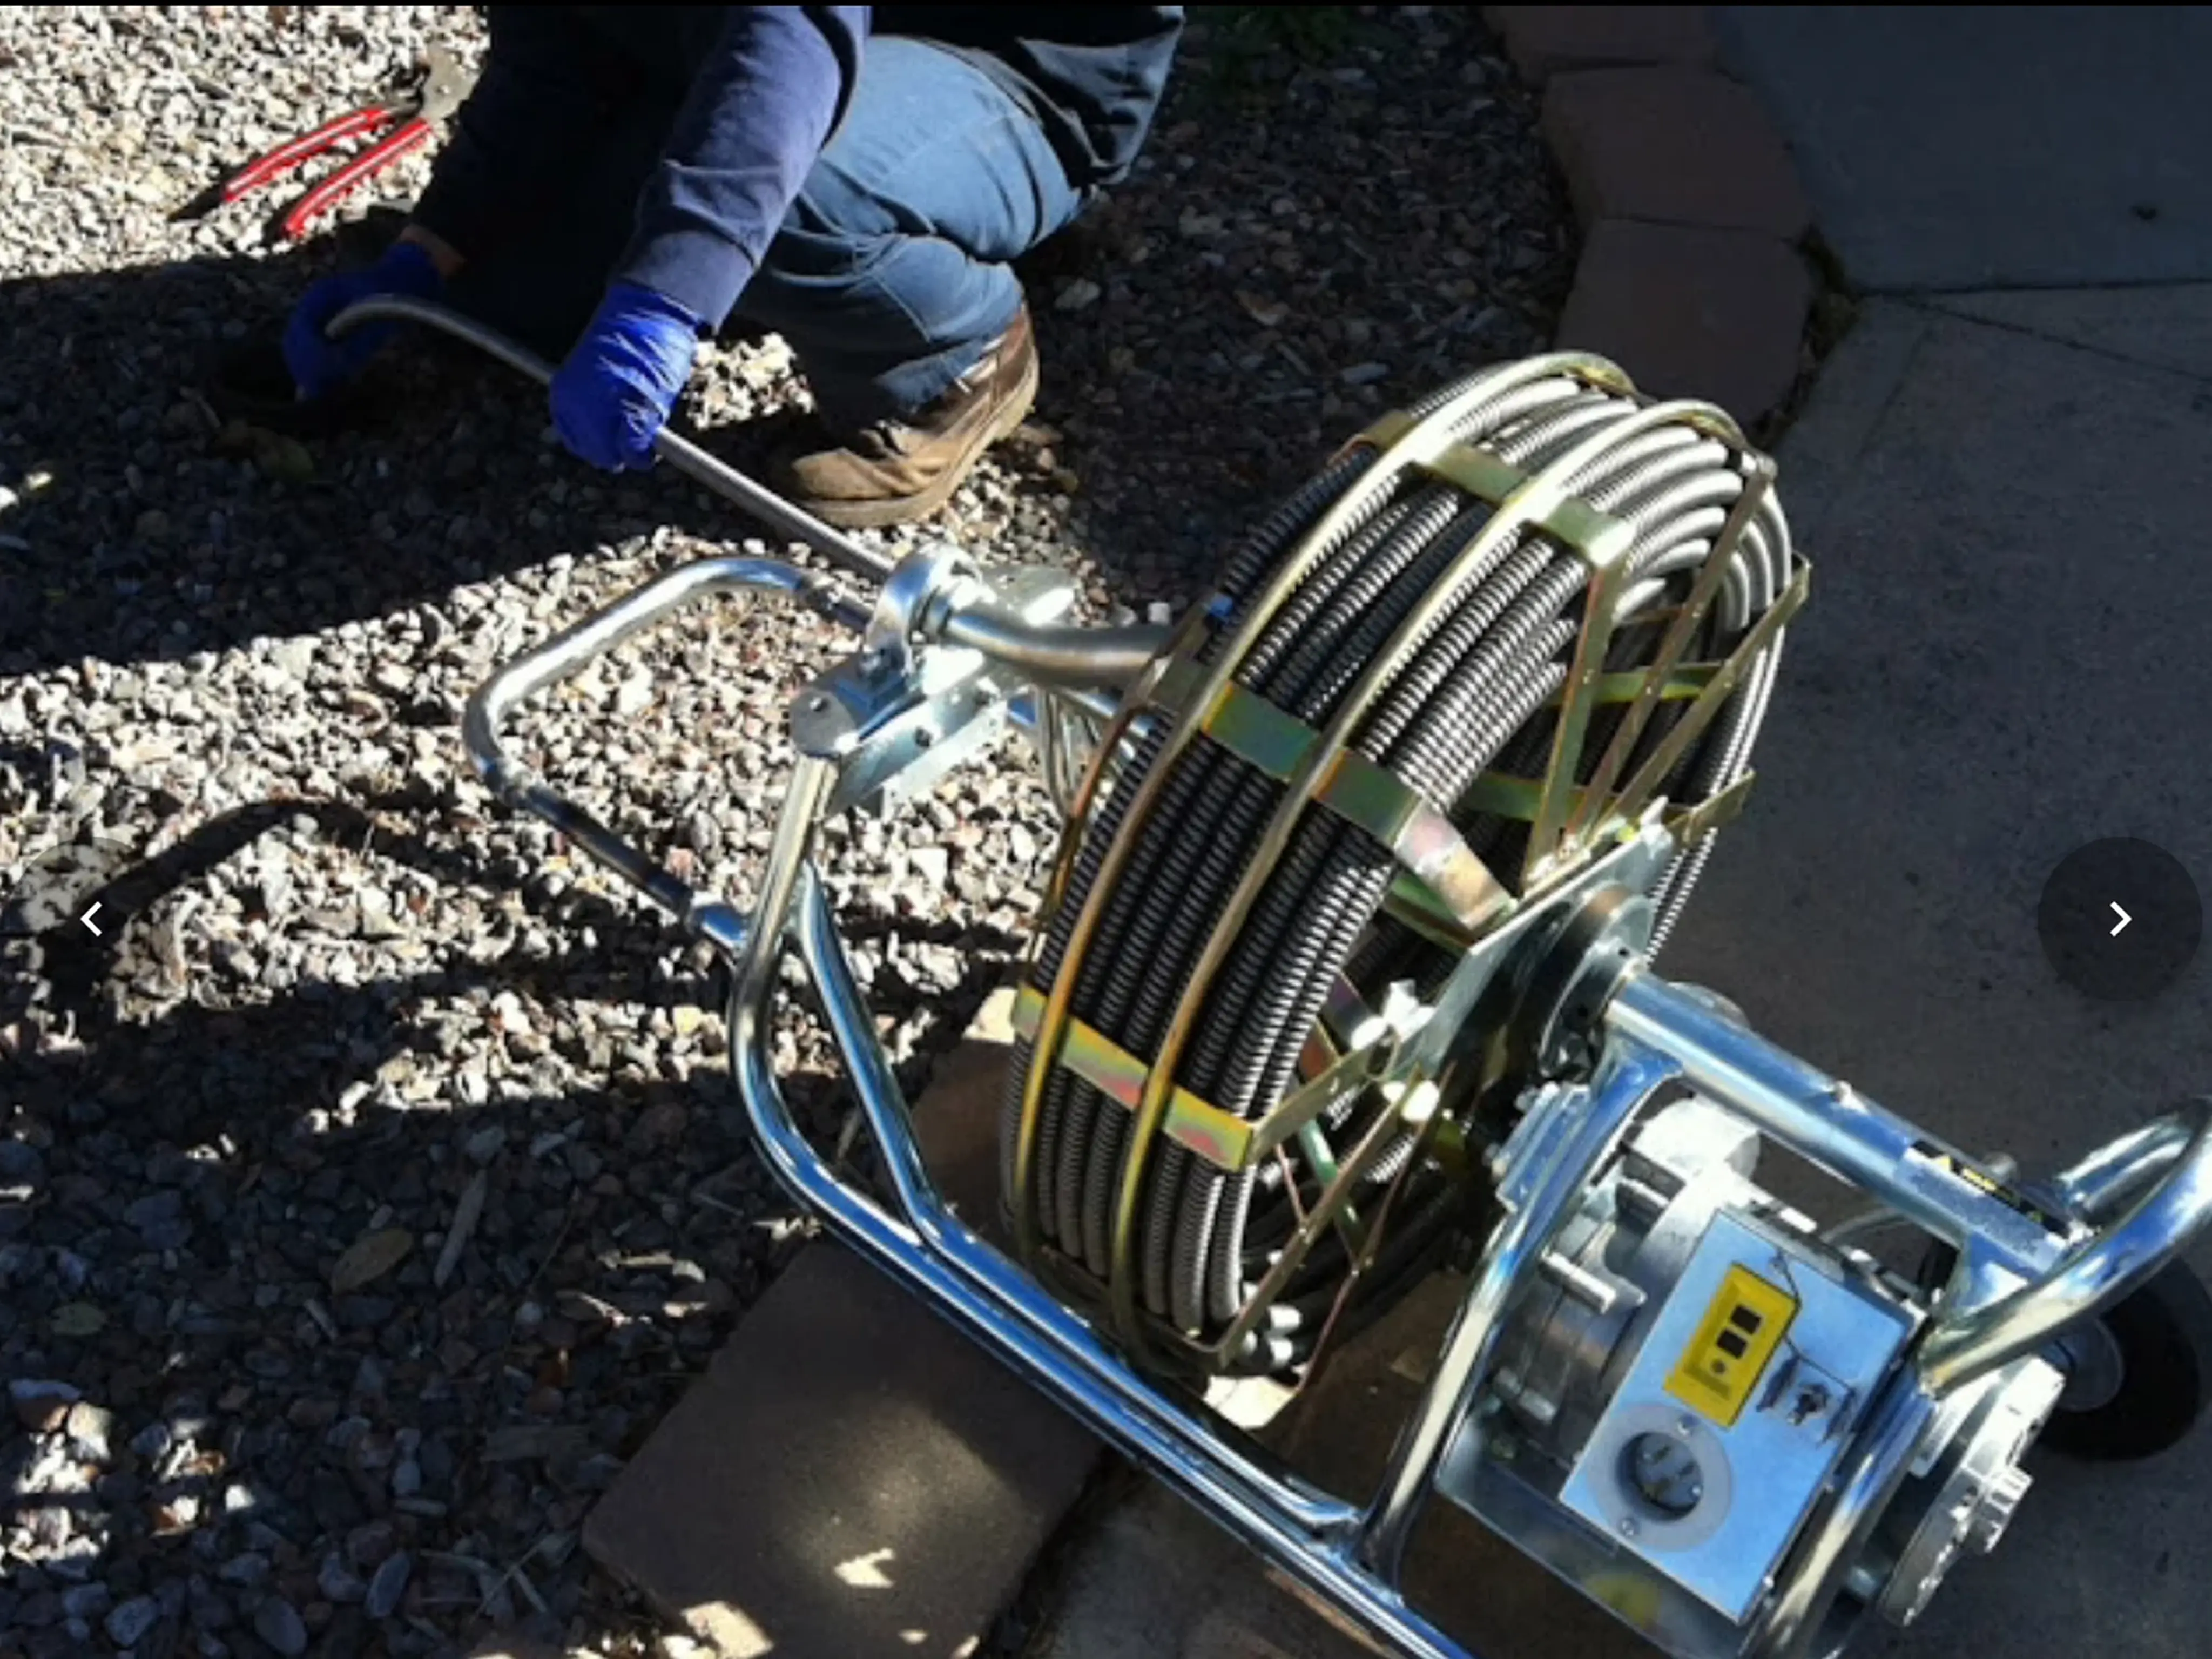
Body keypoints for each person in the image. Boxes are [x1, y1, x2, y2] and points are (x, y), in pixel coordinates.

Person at [281, 7, 1184, 529]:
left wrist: (666, 297)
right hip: (745, 35)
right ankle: (816, 232)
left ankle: (957, 358)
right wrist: (431, 250)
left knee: (783, 208)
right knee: (511, 295)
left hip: (1006, 59)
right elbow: (553, 53)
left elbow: (787, 34)